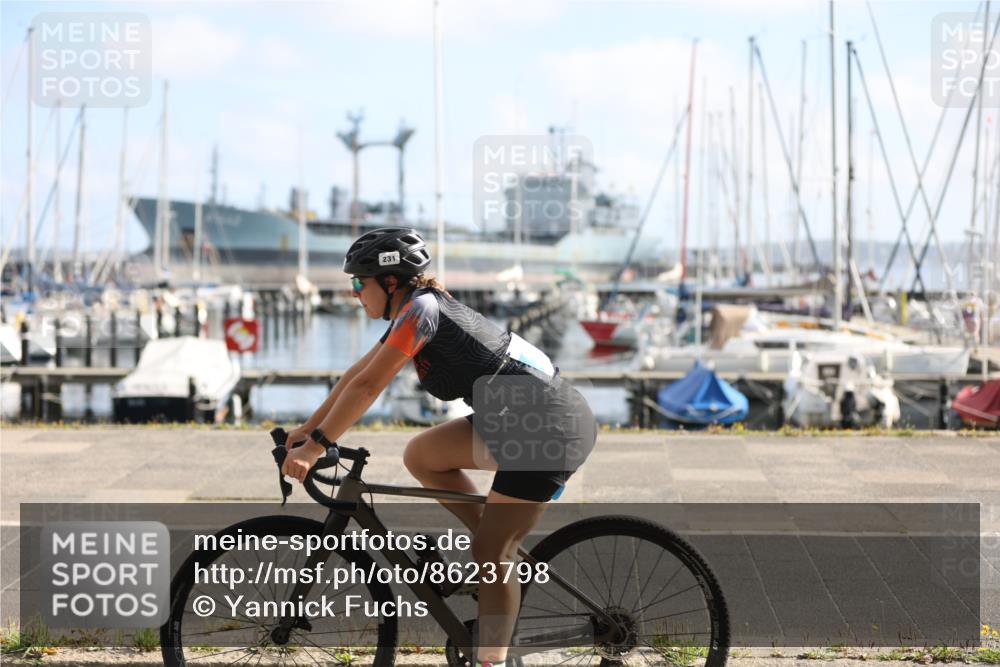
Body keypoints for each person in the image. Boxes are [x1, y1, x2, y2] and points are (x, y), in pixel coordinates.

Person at [281, 227, 597, 667]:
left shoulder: (422, 311)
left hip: (550, 428)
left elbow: (370, 388)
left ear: (390, 281)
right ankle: (496, 548)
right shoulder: (414, 310)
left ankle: (492, 657)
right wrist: (309, 429)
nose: (354, 293)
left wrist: (315, 448)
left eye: (358, 282)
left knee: (492, 552)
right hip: (516, 418)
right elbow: (357, 375)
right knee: (422, 456)